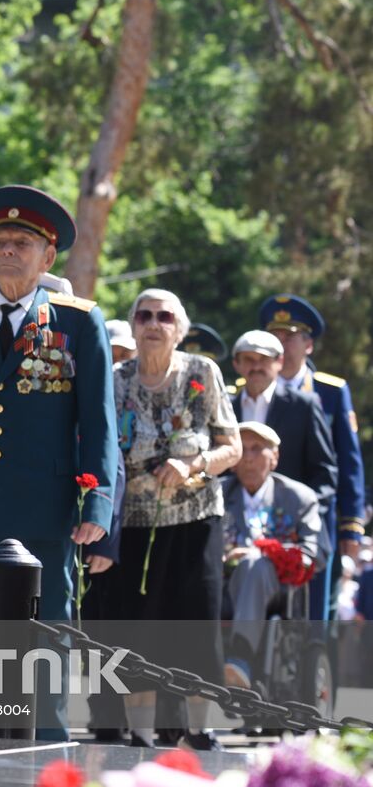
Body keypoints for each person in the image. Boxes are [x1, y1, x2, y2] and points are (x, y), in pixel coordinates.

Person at [0, 188, 116, 739]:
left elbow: (98, 417)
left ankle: (46, 748)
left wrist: (99, 502)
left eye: (23, 242)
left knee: (45, 635)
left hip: (46, 507)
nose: (8, 250)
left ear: (48, 257)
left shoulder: (78, 322)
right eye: (0, 241)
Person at [111, 288, 240, 749]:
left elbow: (233, 447)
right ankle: (141, 735)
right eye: (144, 315)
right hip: (135, 523)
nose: (153, 324)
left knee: (197, 624)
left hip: (195, 518)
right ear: (132, 325)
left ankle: (200, 730)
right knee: (139, 627)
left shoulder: (202, 372)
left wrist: (193, 465)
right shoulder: (116, 379)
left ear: (179, 328)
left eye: (164, 316)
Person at [259, 294, 365, 561]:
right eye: (275, 338)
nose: (281, 345)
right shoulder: (248, 392)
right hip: (258, 517)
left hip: (314, 520)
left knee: (316, 601)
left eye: (290, 336)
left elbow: (348, 462)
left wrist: (351, 524)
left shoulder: (331, 392)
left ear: (309, 344)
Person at [220, 421, 324, 688]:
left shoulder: (299, 498)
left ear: (274, 457)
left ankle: (240, 657)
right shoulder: (217, 495)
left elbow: (315, 552)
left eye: (257, 449)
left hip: (278, 591)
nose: (249, 458)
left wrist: (265, 553)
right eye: (242, 449)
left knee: (255, 563)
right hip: (223, 585)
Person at [228, 330, 336, 523]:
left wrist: (306, 516)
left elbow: (323, 472)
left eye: (264, 359)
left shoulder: (304, 406)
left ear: (279, 361)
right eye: (249, 360)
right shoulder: (225, 408)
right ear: (236, 364)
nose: (256, 366)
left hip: (292, 527)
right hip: (233, 524)